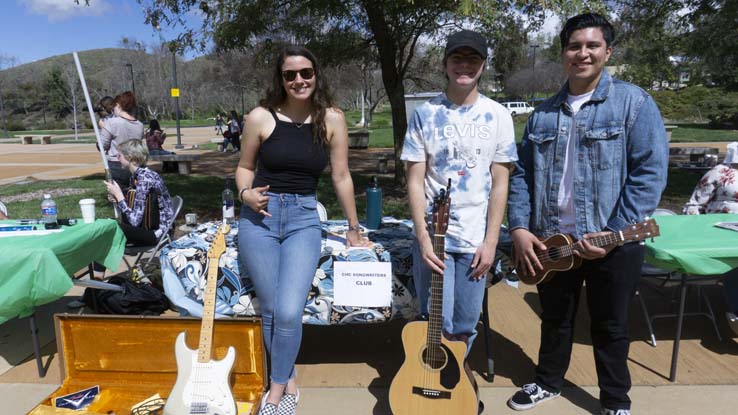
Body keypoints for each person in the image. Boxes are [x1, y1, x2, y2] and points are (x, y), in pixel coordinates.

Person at [506, 13, 669, 415]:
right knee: (555, 319)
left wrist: (612, 232)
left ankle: (615, 400)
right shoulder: (542, 114)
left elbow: (650, 173)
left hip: (612, 241)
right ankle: (548, 382)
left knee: (610, 325)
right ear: (563, 54)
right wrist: (521, 228)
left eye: (592, 46)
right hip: (552, 240)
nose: (583, 53)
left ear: (607, 51)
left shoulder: (633, 102)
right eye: (574, 46)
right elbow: (521, 175)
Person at [235, 45, 369, 415]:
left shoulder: (333, 120)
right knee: (273, 309)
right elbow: (244, 167)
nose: (299, 80)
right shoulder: (260, 117)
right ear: (280, 79)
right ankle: (287, 380)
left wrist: (354, 227)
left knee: (290, 311)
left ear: (316, 74)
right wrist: (245, 194)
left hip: (304, 219)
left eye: (305, 73)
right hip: (259, 219)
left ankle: (275, 391)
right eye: (290, 74)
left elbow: (341, 176)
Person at [401, 29, 516, 412]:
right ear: (445, 64)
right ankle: (431, 387)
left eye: (472, 59)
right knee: (435, 322)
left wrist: (490, 241)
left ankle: (453, 388)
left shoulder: (498, 115)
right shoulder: (425, 114)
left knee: (465, 325)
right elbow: (415, 180)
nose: (464, 65)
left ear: (482, 65)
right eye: (457, 58)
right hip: (435, 241)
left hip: (476, 243)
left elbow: (500, 184)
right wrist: (422, 236)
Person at [683, 141, 738, 335]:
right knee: (735, 263)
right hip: (718, 230)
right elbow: (694, 204)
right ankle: (735, 313)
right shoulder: (720, 171)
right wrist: (695, 229)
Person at [103, 139, 174, 246]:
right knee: (106, 226)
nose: (117, 158)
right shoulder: (138, 176)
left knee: (108, 229)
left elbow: (134, 221)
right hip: (148, 227)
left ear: (130, 157)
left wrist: (119, 196)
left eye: (119, 155)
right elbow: (136, 210)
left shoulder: (145, 179)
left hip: (158, 233)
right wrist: (118, 200)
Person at [100, 91, 144, 191]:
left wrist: (103, 129)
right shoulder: (139, 125)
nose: (113, 110)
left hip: (117, 164)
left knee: (118, 197)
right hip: (135, 165)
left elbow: (102, 146)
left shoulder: (112, 123)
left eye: (114, 106)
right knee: (135, 196)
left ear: (118, 105)